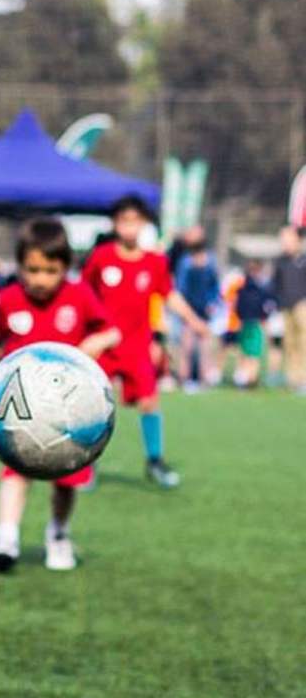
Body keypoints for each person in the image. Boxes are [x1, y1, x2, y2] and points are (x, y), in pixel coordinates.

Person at [0, 219, 120, 574]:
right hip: (20, 410)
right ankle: (5, 538)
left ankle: (58, 532)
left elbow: (111, 332)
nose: (40, 279)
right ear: (20, 265)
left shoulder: (79, 295)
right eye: (32, 269)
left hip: (67, 412)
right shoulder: (10, 299)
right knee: (14, 471)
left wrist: (90, 347)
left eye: (50, 270)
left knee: (66, 480)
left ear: (66, 268)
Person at [83, 196, 209, 489]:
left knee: (150, 402)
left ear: (143, 224)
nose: (129, 227)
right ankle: (86, 463)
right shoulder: (102, 257)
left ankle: (154, 461)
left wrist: (193, 321)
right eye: (124, 221)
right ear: (116, 224)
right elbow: (83, 295)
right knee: (94, 404)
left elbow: (169, 295)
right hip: (104, 346)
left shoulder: (155, 262)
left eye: (134, 221)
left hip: (137, 346)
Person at [176, 240, 221, 391]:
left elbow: (216, 291)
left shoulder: (210, 272)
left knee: (204, 349)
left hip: (204, 316)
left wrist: (212, 304)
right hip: (189, 316)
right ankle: (184, 379)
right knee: (186, 348)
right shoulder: (188, 273)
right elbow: (181, 292)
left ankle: (204, 379)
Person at [272, 226, 306, 394]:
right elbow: (275, 284)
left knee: (303, 342)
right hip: (285, 305)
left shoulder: (304, 259)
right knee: (290, 343)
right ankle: (294, 379)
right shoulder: (281, 261)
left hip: (302, 305)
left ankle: (304, 378)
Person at [232, 260, 275, 388]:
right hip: (255, 324)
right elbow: (267, 306)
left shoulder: (241, 289)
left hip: (245, 323)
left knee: (245, 352)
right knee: (253, 353)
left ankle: (243, 378)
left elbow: (237, 308)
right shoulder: (261, 290)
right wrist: (264, 317)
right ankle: (250, 378)